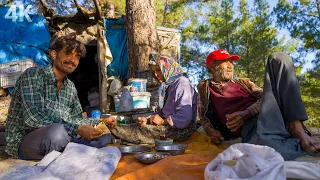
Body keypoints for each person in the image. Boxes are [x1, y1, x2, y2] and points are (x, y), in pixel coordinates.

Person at [5, 34, 116, 160]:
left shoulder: (70, 87)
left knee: (103, 135)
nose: (73, 60)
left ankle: (68, 153)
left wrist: (100, 122)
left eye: (77, 57)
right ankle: (72, 153)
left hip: (62, 136)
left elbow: (76, 119)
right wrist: (77, 129)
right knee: (57, 133)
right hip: (26, 141)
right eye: (68, 54)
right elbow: (33, 119)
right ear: (54, 54)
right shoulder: (33, 76)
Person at [198, 49, 320, 160]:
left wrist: (246, 113)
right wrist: (210, 131)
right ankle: (287, 138)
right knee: (264, 152)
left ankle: (297, 129)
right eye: (225, 62)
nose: (230, 66)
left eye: (231, 62)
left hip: (269, 115)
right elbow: (203, 117)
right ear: (212, 66)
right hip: (254, 129)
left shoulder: (244, 83)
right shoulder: (205, 88)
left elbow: (267, 98)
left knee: (278, 57)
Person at [111, 54, 197, 143]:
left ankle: (112, 130)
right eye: (153, 71)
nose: (156, 74)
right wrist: (147, 119)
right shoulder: (166, 86)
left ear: (167, 68)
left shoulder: (182, 83)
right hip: (169, 126)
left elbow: (184, 117)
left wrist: (163, 122)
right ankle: (113, 130)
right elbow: (162, 113)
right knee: (136, 126)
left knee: (139, 132)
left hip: (183, 130)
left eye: (159, 70)